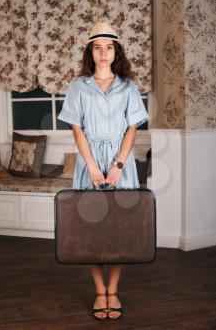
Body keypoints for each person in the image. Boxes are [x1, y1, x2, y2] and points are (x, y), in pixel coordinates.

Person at [57, 21, 149, 320]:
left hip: (121, 164)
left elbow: (132, 130)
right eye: (98, 47)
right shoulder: (78, 87)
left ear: (116, 50)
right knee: (91, 231)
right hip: (90, 163)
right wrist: (94, 168)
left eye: (109, 47)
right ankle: (99, 291)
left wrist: (119, 165)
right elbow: (77, 130)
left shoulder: (129, 87)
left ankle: (114, 289)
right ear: (91, 52)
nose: (104, 53)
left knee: (120, 229)